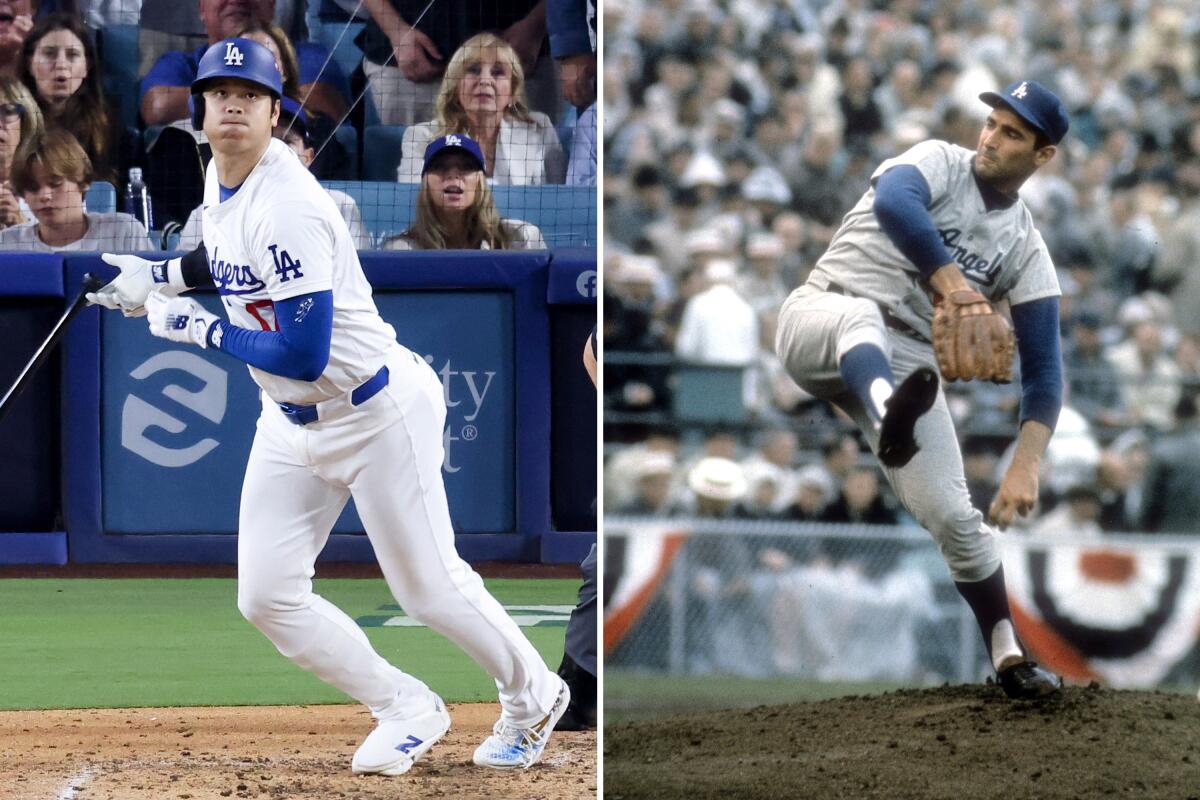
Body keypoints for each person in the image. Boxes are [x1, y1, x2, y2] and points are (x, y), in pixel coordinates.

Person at [86, 37, 569, 775]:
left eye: (250, 97)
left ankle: (534, 695)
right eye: (222, 95)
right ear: (201, 111)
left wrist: (201, 326)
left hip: (374, 410)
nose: (235, 108)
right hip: (289, 422)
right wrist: (162, 276)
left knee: (428, 587)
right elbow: (225, 256)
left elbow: (303, 353)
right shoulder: (221, 177)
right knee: (268, 595)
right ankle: (405, 703)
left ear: (274, 111)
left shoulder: (294, 206)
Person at [774, 79, 1070, 699]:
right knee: (862, 320)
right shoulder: (938, 160)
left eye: (1012, 133)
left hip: (909, 362)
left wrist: (1026, 463)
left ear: (1043, 156)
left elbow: (1044, 368)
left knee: (955, 515)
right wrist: (956, 285)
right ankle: (889, 419)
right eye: (991, 121)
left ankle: (1009, 656)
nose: (990, 136)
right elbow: (897, 207)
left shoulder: (1025, 245)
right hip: (823, 315)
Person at [177, 97, 370, 250]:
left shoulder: (340, 207)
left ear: (308, 157)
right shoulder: (206, 215)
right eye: (265, 141)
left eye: (287, 142)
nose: (275, 152)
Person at [139, 0, 348, 128]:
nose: (237, 0)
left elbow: (323, 106)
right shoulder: (180, 63)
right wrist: (257, 95)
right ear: (202, 8)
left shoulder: (308, 55)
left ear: (272, 4)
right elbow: (157, 108)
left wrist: (219, 98)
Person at [396, 33, 565, 185]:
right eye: (473, 70)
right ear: (455, 87)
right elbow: (414, 203)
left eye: (498, 72)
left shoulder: (538, 128)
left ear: (513, 92)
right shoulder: (422, 138)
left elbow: (557, 200)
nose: (485, 80)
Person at [358, 0, 557, 127]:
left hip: (521, 57)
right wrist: (396, 30)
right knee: (419, 180)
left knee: (525, 178)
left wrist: (535, 26)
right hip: (412, 61)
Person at [383, 133, 546, 251]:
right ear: (426, 183)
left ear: (480, 182)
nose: (453, 174)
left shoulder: (520, 239)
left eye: (466, 166)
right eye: (440, 167)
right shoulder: (403, 250)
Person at [0, 127, 152, 250]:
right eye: (33, 188)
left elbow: (156, 287)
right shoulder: (7, 244)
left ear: (83, 182)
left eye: (55, 184)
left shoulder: (124, 231)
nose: (44, 195)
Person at [20, 13, 125, 185]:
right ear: (29, 63)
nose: (61, 64)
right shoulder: (10, 122)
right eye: (49, 54)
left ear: (86, 67)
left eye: (72, 55)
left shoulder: (111, 129)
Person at [0, 74, 42, 229]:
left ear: (25, 123)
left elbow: (70, 250)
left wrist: (20, 226)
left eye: (7, 111)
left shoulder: (55, 182)